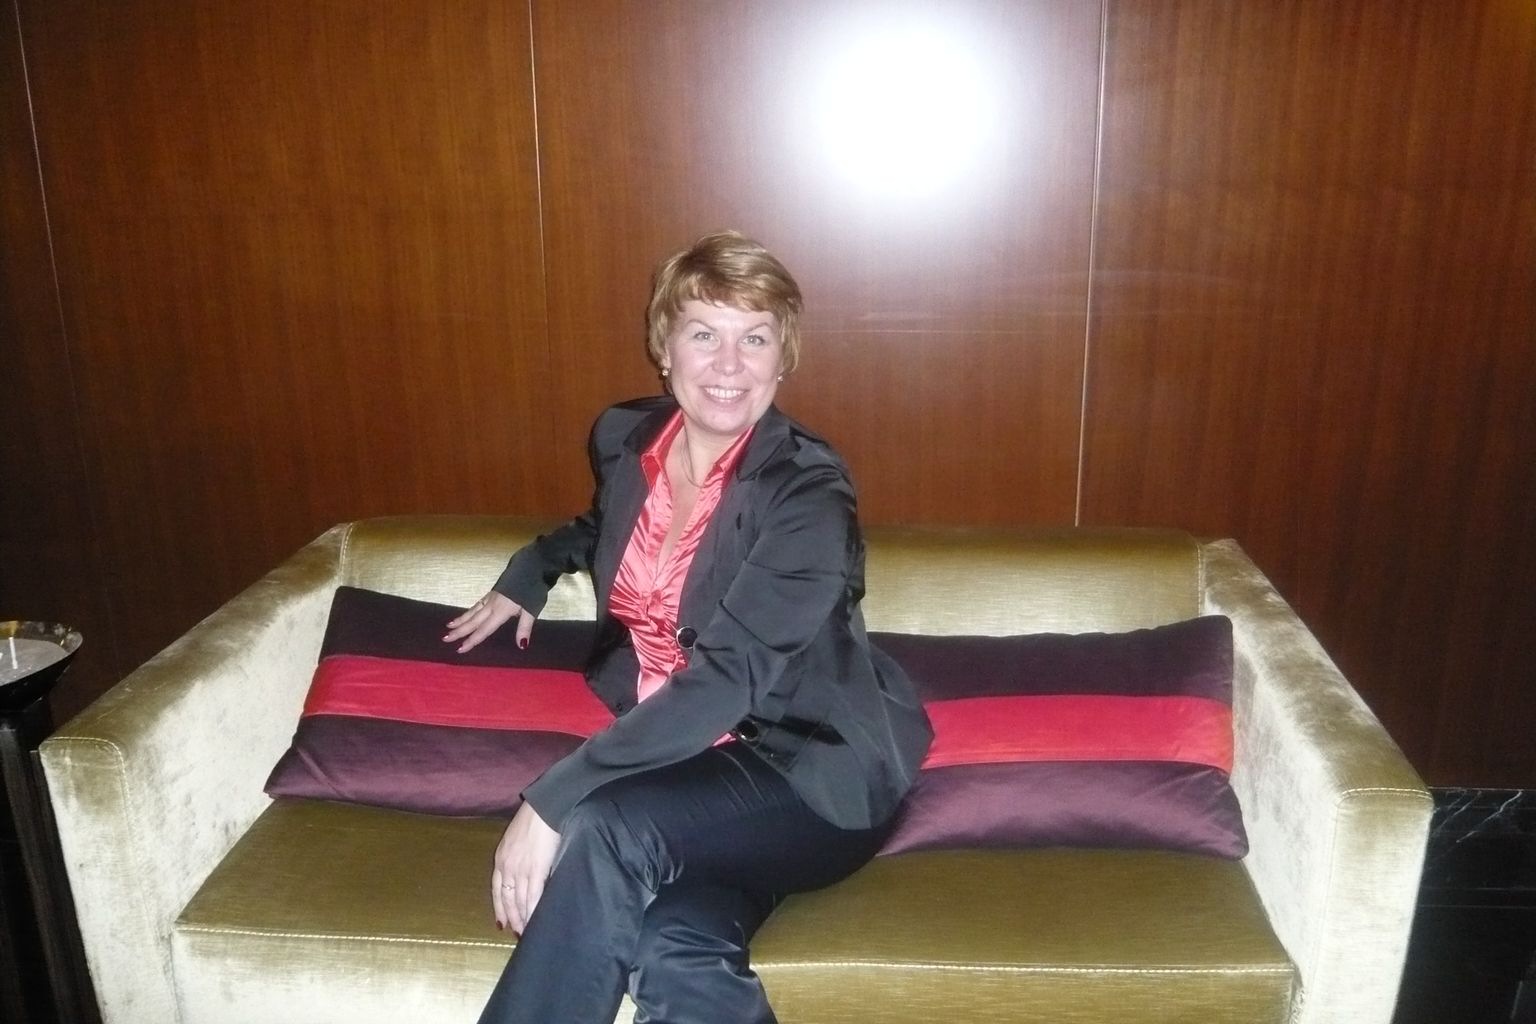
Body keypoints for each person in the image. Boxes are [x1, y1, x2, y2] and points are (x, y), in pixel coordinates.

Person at [443, 230, 933, 1024]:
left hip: (806, 771)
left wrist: (552, 799)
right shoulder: (625, 439)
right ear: (664, 349)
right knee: (676, 947)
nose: (729, 364)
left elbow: (729, 678)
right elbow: (605, 528)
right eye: (704, 334)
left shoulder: (808, 493)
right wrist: (535, 567)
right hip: (687, 773)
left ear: (783, 358)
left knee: (609, 825)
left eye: (755, 339)